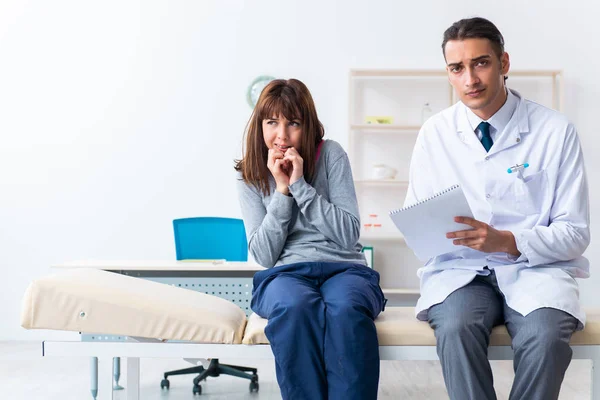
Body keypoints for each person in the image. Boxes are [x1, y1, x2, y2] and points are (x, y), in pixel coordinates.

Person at [405, 17, 590, 400]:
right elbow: (417, 216)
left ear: (504, 63)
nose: (470, 78)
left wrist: (507, 241)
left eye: (481, 63)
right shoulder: (435, 133)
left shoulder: (555, 131)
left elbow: (575, 233)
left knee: (545, 338)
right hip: (461, 270)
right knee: (455, 327)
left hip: (535, 269)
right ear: (449, 74)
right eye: (458, 68)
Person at [235, 78, 386, 400]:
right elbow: (263, 254)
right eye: (272, 122)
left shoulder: (330, 154)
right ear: (259, 125)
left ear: (309, 126)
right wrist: (282, 191)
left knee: (345, 310)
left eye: (293, 123)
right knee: (295, 306)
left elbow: (348, 234)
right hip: (285, 273)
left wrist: (301, 185)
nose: (282, 135)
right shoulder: (249, 173)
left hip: (344, 269)